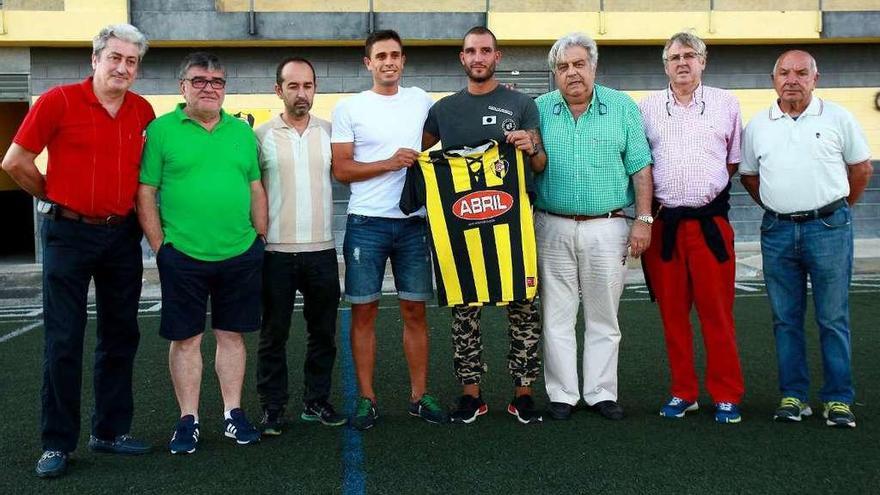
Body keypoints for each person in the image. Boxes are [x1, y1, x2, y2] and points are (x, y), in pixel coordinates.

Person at [1, 24, 154, 478]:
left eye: (131, 61)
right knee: (64, 339)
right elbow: (14, 161)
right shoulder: (58, 101)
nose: (123, 67)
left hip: (122, 235)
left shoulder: (143, 110)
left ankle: (109, 431)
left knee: (120, 336)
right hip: (68, 235)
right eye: (115, 58)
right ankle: (57, 444)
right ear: (95, 59)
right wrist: (53, 196)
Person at [137, 52, 269, 453]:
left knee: (231, 336)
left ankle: (233, 414)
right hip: (183, 256)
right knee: (186, 340)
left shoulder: (242, 132)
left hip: (239, 253)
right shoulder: (160, 131)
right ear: (183, 87)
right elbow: (146, 191)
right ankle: (188, 419)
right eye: (199, 80)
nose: (210, 87)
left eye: (217, 81)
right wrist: (162, 248)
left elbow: (255, 187)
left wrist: (259, 239)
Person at [740, 50, 872, 428]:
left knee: (833, 318)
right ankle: (793, 396)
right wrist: (778, 205)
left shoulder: (838, 117)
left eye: (801, 72)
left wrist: (836, 208)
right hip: (778, 231)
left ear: (815, 78)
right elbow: (749, 175)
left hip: (828, 229)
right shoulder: (758, 126)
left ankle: (838, 399)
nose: (792, 79)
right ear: (773, 80)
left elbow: (861, 168)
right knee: (785, 320)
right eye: (784, 73)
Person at [421, 26, 546, 424]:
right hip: (463, 230)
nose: (478, 57)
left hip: (513, 223)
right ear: (462, 58)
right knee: (464, 312)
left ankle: (523, 394)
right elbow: (427, 162)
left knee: (524, 308)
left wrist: (531, 147)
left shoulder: (522, 104)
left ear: (498, 56)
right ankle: (471, 394)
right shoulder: (442, 110)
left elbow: (540, 163)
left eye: (485, 51)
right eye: (471, 51)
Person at [330, 30, 447, 430]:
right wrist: (389, 163)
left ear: (403, 60)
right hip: (366, 223)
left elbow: (436, 141)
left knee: (415, 311)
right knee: (364, 312)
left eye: (395, 55)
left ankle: (419, 396)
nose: (388, 62)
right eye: (380, 56)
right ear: (368, 63)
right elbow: (341, 169)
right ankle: (366, 398)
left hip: (413, 222)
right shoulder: (350, 108)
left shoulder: (420, 100)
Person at [535, 32, 653, 421]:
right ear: (555, 72)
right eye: (563, 67)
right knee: (556, 314)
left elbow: (640, 167)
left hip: (609, 226)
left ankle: (601, 392)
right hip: (552, 225)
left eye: (579, 64)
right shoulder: (538, 110)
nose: (572, 73)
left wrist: (644, 220)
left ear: (594, 66)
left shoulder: (622, 107)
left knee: (604, 315)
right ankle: (563, 395)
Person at [638, 32, 745, 424]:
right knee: (673, 316)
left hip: (709, 225)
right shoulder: (647, 108)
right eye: (674, 57)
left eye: (689, 55)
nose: (682, 63)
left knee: (717, 315)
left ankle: (727, 395)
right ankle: (684, 392)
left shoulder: (726, 103)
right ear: (665, 65)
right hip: (665, 226)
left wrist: (703, 192)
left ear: (703, 60)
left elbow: (732, 162)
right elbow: (641, 166)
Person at [254, 56, 345, 435]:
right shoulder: (259, 136)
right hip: (275, 252)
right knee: (273, 334)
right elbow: (251, 190)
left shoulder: (330, 132)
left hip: (322, 251)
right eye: (293, 86)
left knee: (323, 333)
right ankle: (273, 409)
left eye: (307, 85)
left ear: (315, 88)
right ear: (279, 90)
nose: (301, 93)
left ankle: (316, 401)